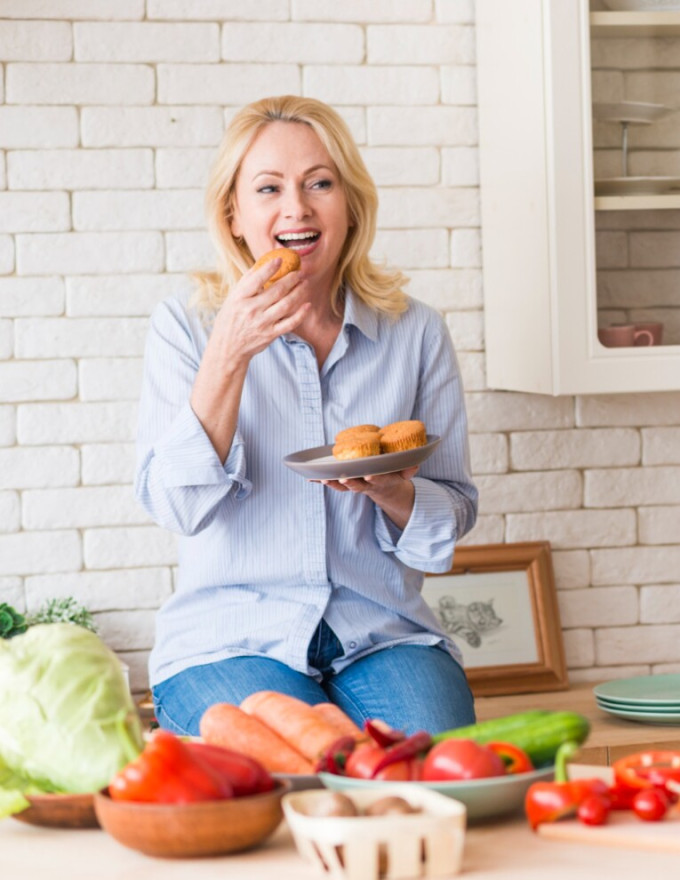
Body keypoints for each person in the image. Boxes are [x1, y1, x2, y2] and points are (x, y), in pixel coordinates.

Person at [137, 95, 479, 737]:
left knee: (430, 769)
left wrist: (394, 490)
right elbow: (177, 507)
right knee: (294, 769)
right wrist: (229, 353)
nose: (296, 207)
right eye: (269, 188)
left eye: (319, 183)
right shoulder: (187, 327)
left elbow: (451, 517)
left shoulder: (415, 332)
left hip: (383, 632)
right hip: (228, 637)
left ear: (349, 205)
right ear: (235, 215)